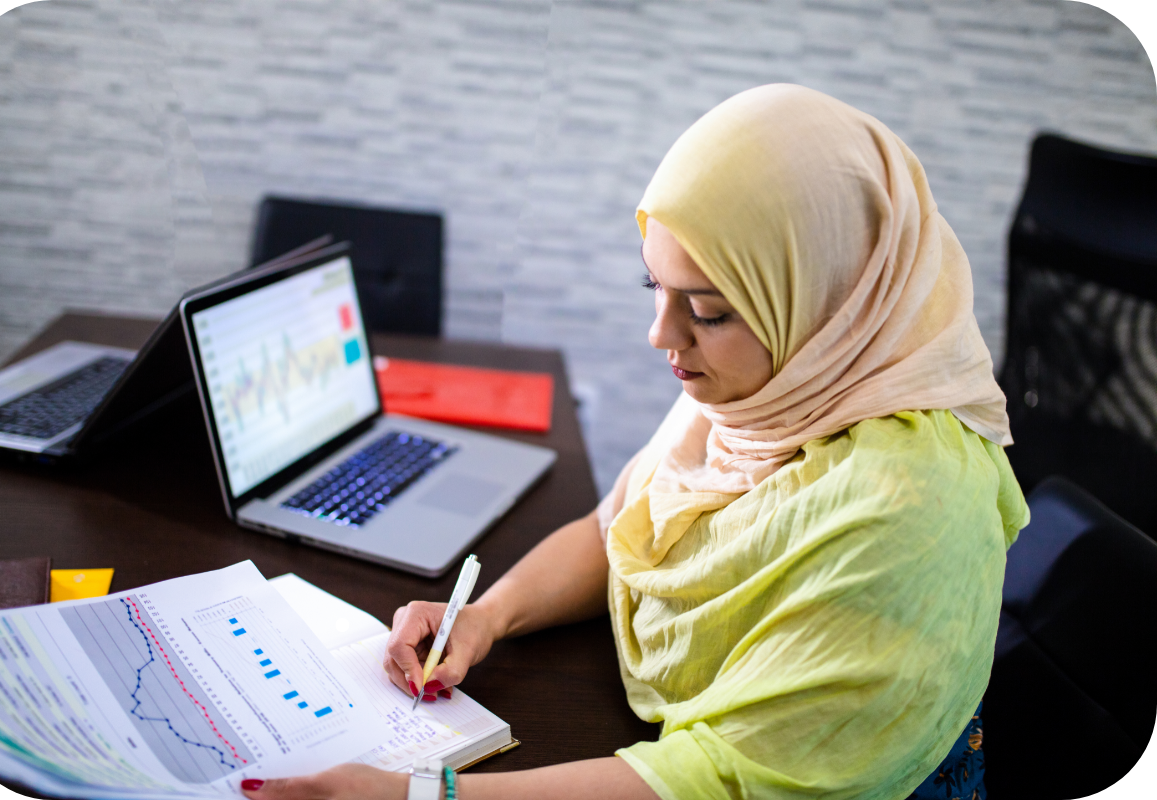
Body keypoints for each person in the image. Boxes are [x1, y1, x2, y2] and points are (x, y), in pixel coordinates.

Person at [241, 84, 1028, 800]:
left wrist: (419, 795)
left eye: (710, 311)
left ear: (830, 301)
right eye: (655, 287)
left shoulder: (910, 506)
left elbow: (723, 781)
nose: (662, 336)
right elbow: (620, 530)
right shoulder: (774, 391)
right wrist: (486, 618)